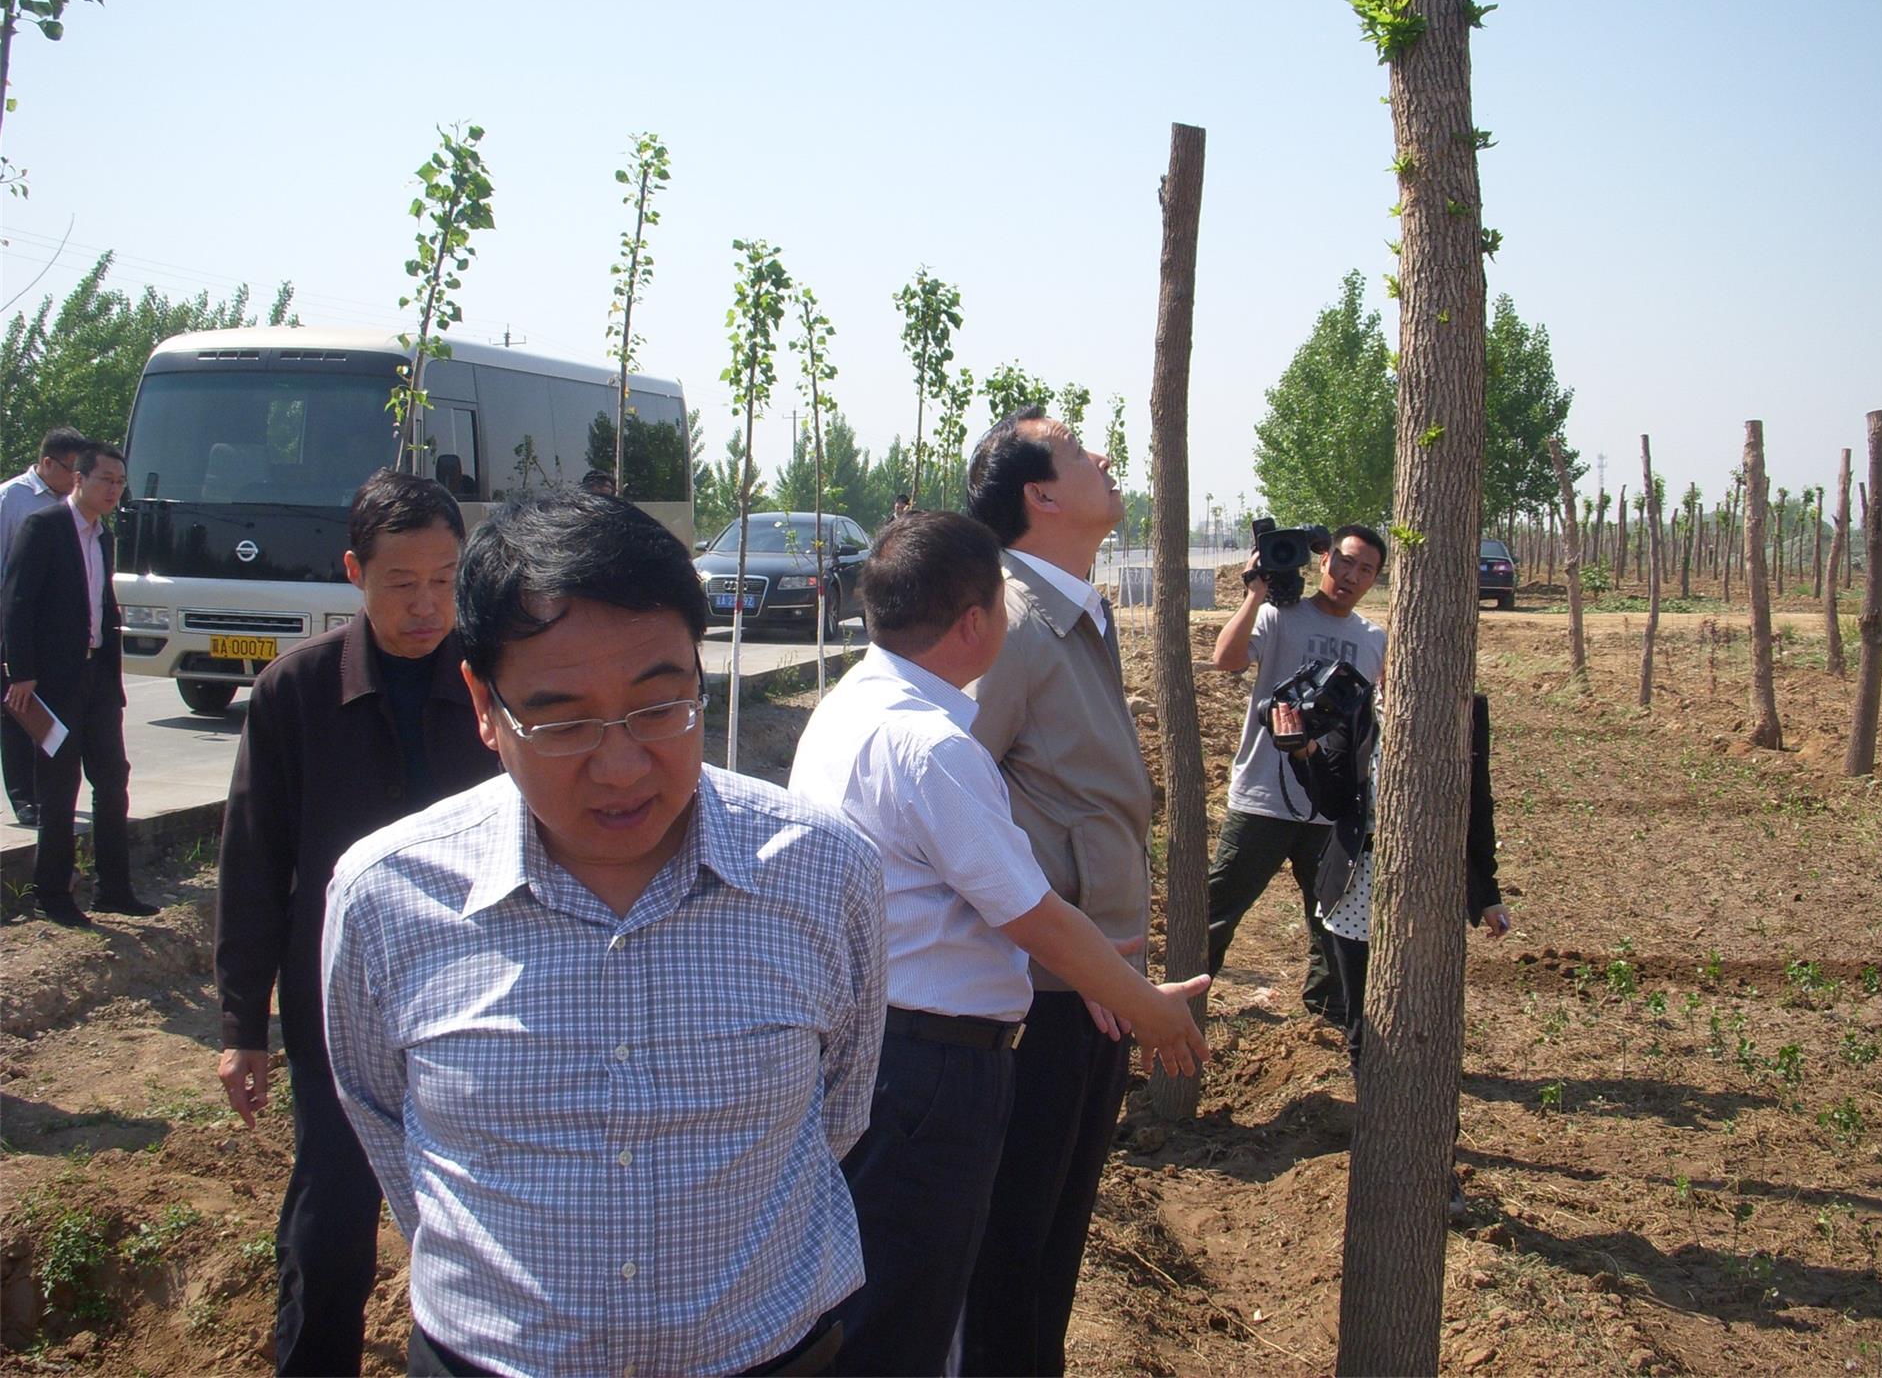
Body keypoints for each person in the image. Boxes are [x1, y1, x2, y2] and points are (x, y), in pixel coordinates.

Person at [322, 488, 886, 1378]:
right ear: (484, 705)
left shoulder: (822, 872)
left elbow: (839, 1114)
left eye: (661, 707)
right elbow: (388, 1125)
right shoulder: (387, 898)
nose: (621, 767)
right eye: (562, 722)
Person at [789, 511, 1208, 1377]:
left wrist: (1095, 966)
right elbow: (1033, 915)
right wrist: (1148, 1008)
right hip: (932, 1069)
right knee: (911, 1313)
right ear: (976, 622)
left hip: (875, 1046)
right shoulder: (932, 746)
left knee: (885, 1299)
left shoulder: (849, 707)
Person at [214, 469, 499, 1377]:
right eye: (400, 583)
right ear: (353, 573)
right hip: (339, 999)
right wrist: (242, 1025)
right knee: (332, 1206)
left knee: (487, 1211)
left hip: (476, 988)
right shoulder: (295, 694)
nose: (427, 606)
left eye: (445, 580)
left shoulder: (495, 681)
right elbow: (255, 862)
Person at [956, 406, 1153, 1377]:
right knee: (1013, 1260)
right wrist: (1062, 951)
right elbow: (945, 794)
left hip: (1093, 989)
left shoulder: (1076, 611)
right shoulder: (1011, 627)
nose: (1103, 455)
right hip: (1041, 998)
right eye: (1078, 450)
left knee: (1051, 1256)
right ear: (1040, 495)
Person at [1281, 689, 1511, 1213]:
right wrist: (1304, 752)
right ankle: (1381, 1153)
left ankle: (1436, 1166)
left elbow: (1477, 800)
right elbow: (1335, 801)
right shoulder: (1358, 706)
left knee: (1428, 1029)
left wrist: (1489, 892)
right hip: (1357, 887)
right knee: (1366, 1030)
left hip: (1431, 890)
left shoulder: (1464, 705)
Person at [1205, 525, 1388, 1020]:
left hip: (1332, 807)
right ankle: (1186, 998)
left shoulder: (1374, 639)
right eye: (1345, 561)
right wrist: (1254, 594)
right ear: (1324, 559)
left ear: (1374, 579)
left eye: (1365, 569)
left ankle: (1328, 1014)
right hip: (1263, 797)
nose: (1351, 576)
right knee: (1217, 911)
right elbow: (1226, 659)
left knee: (1333, 918)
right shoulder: (1279, 617)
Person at [1, 443, 154, 927]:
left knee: (112, 778)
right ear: (79, 479)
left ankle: (114, 890)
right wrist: (21, 671)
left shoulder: (103, 536)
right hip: (53, 682)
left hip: (97, 677)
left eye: (120, 482)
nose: (114, 490)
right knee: (58, 786)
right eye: (106, 480)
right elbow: (18, 602)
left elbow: (101, 604)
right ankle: (52, 895)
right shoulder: (43, 527)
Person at [0, 426, 91, 827]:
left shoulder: (75, 504)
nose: (77, 478)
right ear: (47, 463)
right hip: (16, 621)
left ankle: (49, 795)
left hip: (59, 629)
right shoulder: (12, 499)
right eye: (72, 469)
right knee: (19, 710)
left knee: (56, 711)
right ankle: (24, 798)